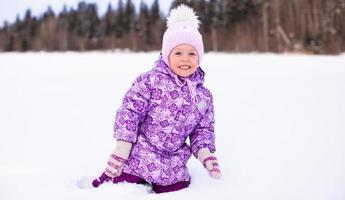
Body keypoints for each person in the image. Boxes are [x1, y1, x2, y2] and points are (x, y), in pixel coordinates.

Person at [92, 4, 221, 193]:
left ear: (199, 56)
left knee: (178, 191)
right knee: (118, 190)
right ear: (166, 55)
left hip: (173, 165)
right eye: (178, 53)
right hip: (139, 156)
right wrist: (123, 146)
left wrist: (205, 155)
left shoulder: (204, 96)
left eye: (191, 53)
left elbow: (203, 129)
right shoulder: (150, 81)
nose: (185, 59)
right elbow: (130, 111)